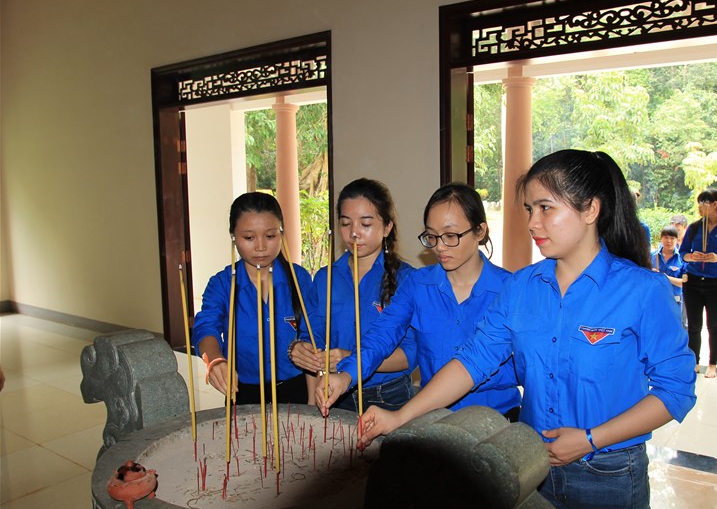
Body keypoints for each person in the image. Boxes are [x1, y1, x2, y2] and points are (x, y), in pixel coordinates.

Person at [347, 150, 696, 509]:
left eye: (545, 208)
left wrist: (591, 438)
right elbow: (472, 361)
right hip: (533, 464)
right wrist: (399, 417)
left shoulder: (642, 290)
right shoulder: (522, 287)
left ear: (590, 209)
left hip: (609, 474)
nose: (532, 222)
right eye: (529, 209)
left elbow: (675, 390)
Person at [317, 182, 522, 419]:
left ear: (480, 231)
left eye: (450, 236)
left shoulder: (511, 289)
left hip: (497, 418)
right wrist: (347, 375)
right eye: (432, 236)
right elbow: (382, 335)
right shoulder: (417, 284)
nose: (440, 247)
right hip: (436, 419)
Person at [289, 178, 416, 411]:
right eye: (346, 223)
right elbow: (312, 334)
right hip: (335, 394)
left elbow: (410, 354)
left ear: (387, 227)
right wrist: (302, 349)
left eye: (365, 224)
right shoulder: (325, 278)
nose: (354, 233)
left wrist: (351, 360)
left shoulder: (407, 279)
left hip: (388, 396)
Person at [192, 192, 317, 405]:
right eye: (249, 238)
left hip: (294, 390)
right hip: (242, 391)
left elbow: (313, 336)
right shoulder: (223, 283)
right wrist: (215, 361)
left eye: (270, 236)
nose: (260, 247)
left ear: (281, 233)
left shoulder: (299, 279)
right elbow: (206, 328)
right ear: (233, 236)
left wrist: (313, 402)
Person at [679, 188, 717, 378]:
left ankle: (713, 364)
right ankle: (695, 362)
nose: (699, 206)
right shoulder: (694, 227)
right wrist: (693, 257)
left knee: (714, 325)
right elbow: (683, 253)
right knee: (694, 325)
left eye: (703, 203)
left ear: (715, 205)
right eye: (699, 202)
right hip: (693, 281)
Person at [651, 225, 684, 308]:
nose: (669, 241)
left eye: (672, 238)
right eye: (666, 237)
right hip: (654, 298)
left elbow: (684, 282)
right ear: (661, 238)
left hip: (674, 301)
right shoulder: (651, 256)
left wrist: (665, 277)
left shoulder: (682, 259)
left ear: (677, 240)